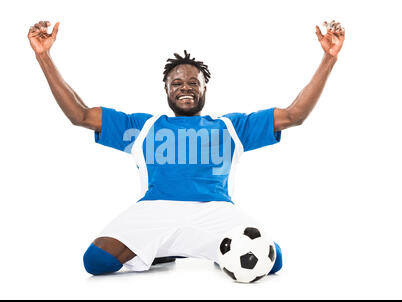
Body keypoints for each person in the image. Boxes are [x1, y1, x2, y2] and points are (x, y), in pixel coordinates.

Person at [27, 20, 345, 278]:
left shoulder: (230, 126)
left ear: (205, 88)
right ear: (166, 90)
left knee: (272, 262)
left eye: (193, 83)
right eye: (177, 83)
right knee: (95, 261)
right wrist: (44, 56)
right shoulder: (142, 127)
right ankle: (174, 249)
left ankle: (198, 246)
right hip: (154, 209)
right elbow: (79, 115)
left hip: (215, 210)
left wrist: (328, 59)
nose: (185, 88)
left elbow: (294, 115)